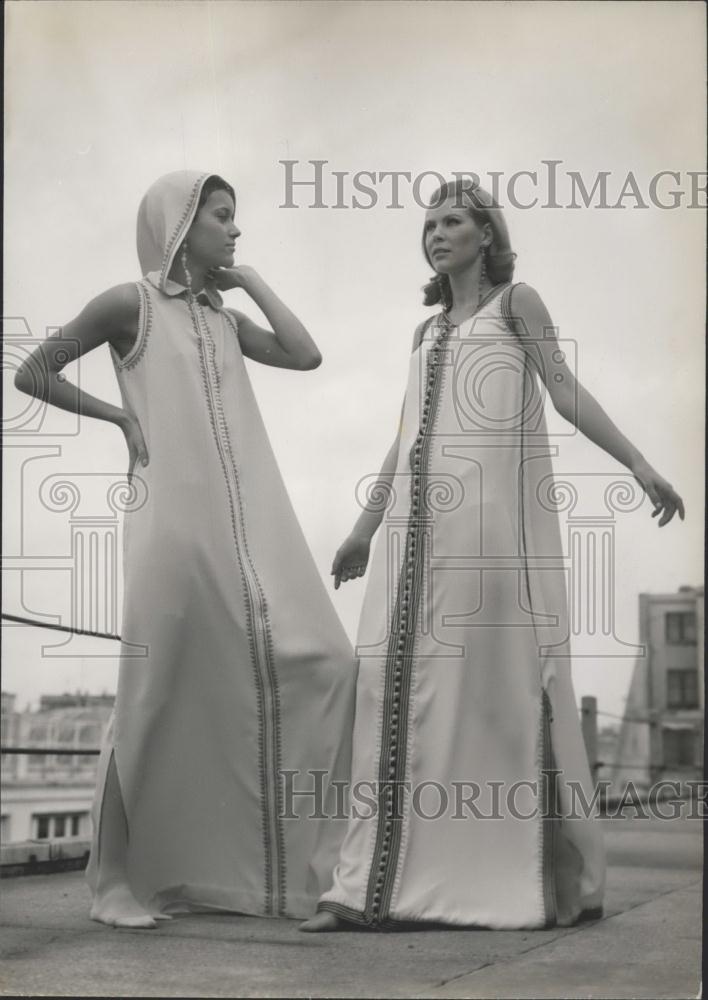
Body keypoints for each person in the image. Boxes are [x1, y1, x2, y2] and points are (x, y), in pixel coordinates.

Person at [301, 178, 685, 932]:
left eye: (452, 221)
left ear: (486, 234)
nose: (436, 234)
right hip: (412, 538)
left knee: (491, 699)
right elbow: (404, 437)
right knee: (388, 691)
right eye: (429, 224)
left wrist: (636, 462)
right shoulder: (424, 333)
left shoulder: (518, 305)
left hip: (488, 540)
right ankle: (365, 890)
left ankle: (502, 876)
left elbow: (566, 390)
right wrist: (363, 526)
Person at [15, 170, 356, 928]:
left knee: (329, 661)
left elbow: (306, 357)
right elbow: (33, 371)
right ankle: (112, 886)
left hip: (249, 528)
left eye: (238, 220)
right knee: (155, 689)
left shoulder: (224, 320)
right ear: (179, 222)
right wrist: (118, 417)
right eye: (222, 217)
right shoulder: (128, 303)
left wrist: (251, 282)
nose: (235, 231)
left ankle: (271, 875)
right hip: (170, 518)